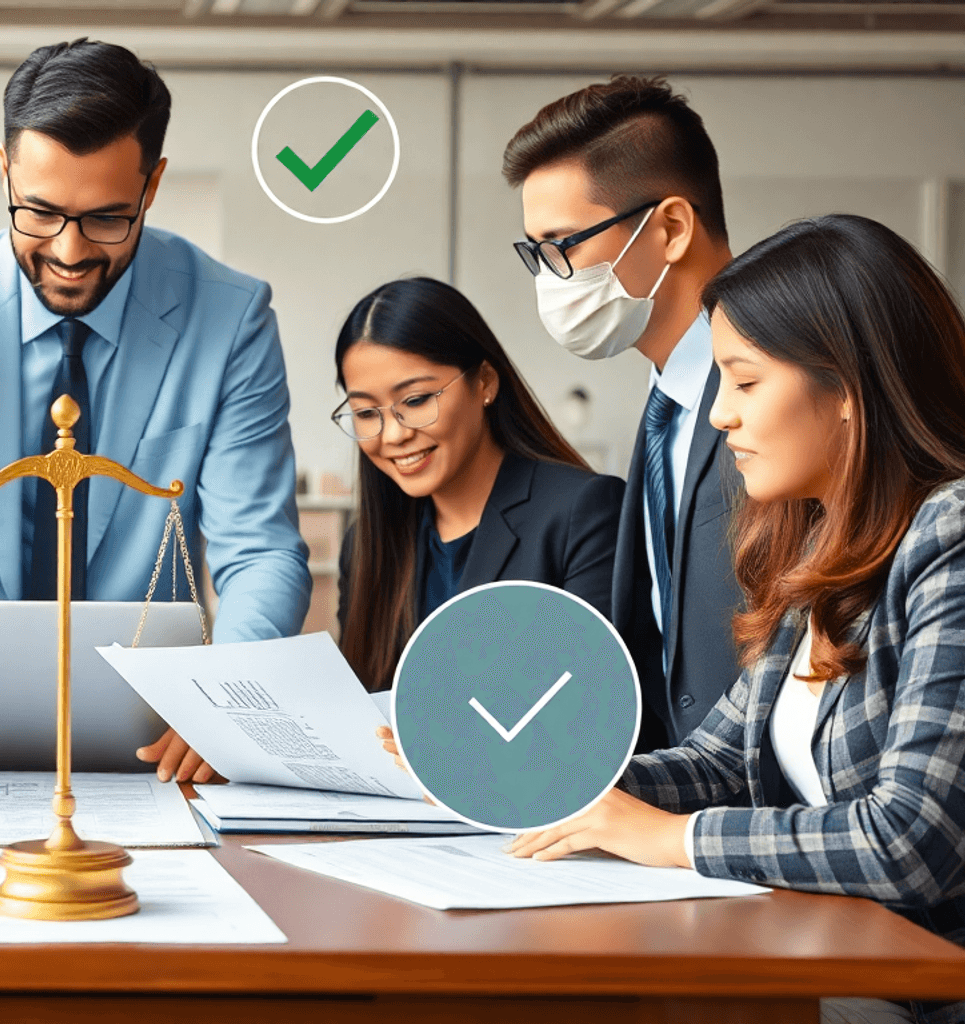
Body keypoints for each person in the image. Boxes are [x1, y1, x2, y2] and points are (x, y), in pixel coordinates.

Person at [503, 215, 965, 1023]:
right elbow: (713, 764)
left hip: (920, 992)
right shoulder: (822, 542)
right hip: (829, 962)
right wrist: (531, 777)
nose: (719, 415)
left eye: (745, 382)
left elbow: (911, 842)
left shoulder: (949, 536)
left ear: (850, 388)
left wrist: (669, 840)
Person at [0, 39, 311, 783]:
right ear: (5, 170)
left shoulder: (232, 317)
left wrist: (227, 699)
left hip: (159, 737)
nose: (69, 251)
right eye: (41, 213)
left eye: (107, 219)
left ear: (152, 187)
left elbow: (260, 552)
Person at [504, 75, 741, 749]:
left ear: (669, 228)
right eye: (536, 252)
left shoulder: (786, 393)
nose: (551, 278)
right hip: (674, 796)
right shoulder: (666, 399)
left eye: (564, 245)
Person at [333, 278, 623, 691]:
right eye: (365, 412)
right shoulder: (364, 545)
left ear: (485, 382)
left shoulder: (583, 513)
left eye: (415, 401)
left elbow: (591, 705)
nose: (393, 435)